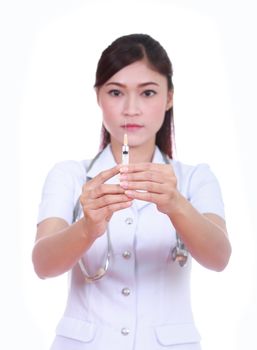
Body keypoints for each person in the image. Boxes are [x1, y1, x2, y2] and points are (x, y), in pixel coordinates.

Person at [32, 33, 231, 350]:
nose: (131, 108)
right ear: (99, 97)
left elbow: (219, 257)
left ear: (168, 98)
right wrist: (87, 227)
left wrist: (177, 205)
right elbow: (43, 265)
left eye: (148, 92)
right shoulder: (69, 175)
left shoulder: (195, 179)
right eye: (115, 92)